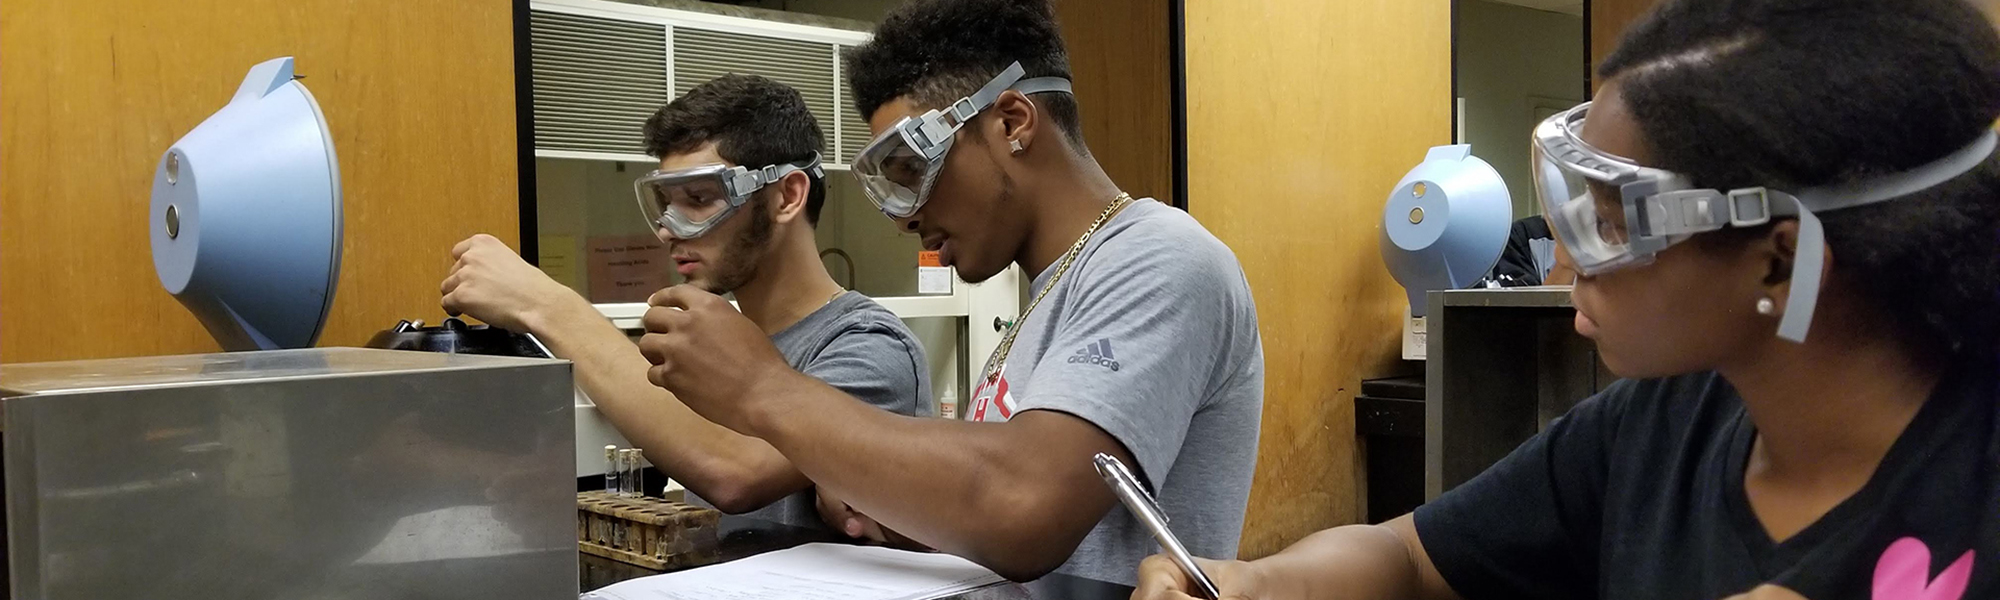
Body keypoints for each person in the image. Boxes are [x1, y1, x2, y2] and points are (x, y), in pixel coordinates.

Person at [1136, 0, 2000, 598]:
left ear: (1781, 263)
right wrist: (1258, 581)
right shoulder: (1655, 427)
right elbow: (1406, 556)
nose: (1572, 260)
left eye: (1615, 225)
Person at [630, 0, 1264, 584]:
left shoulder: (1161, 258)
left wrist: (759, 387)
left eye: (912, 167)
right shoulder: (1049, 294)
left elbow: (1021, 508)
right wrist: (895, 507)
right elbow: (999, 519)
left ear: (1011, 121)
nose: (906, 215)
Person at [439, 74, 932, 528]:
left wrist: (545, 306)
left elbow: (734, 469)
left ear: (786, 197)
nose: (666, 230)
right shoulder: (713, 349)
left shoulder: (868, 345)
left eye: (697, 199)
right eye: (666, 205)